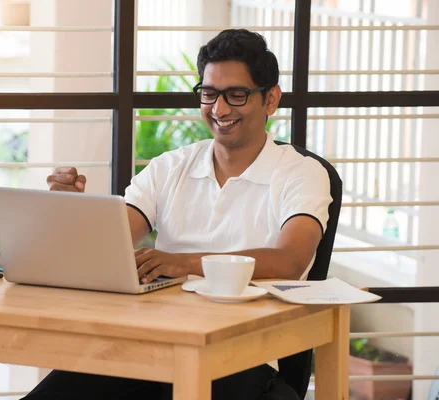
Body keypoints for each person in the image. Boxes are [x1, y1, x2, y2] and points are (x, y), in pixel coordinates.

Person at [22, 28, 332, 400]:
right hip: (152, 345)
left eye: (236, 95)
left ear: (270, 100)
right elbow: (113, 242)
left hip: (242, 358)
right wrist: (71, 209)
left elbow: (289, 261)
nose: (219, 110)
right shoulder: (172, 166)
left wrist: (183, 263)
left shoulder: (301, 173)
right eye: (209, 94)